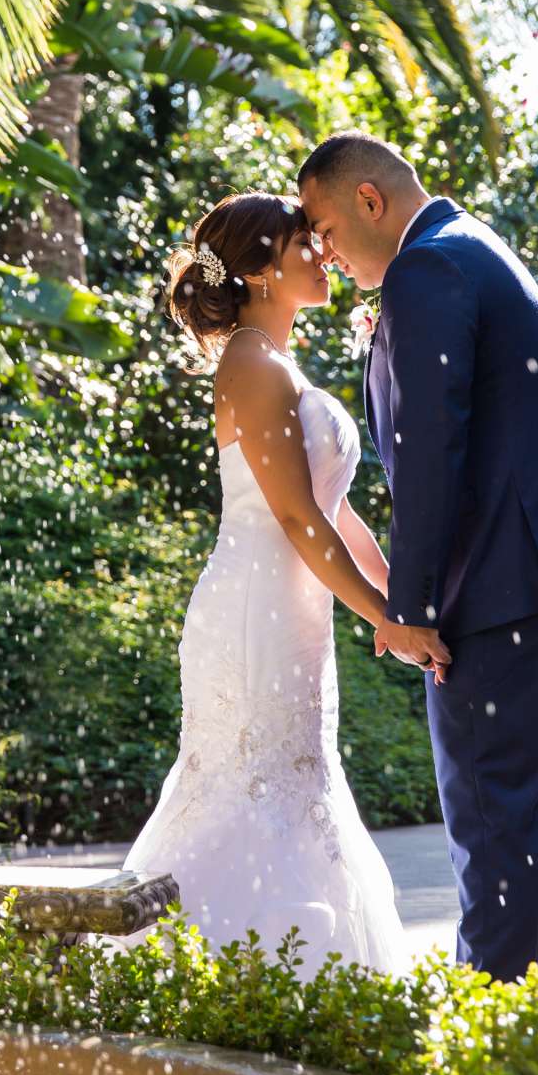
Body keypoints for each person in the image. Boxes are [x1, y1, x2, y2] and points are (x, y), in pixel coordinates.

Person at [296, 132, 538, 1003]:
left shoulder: (427, 269)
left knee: (491, 823)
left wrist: (408, 605)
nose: (320, 249)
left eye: (323, 227)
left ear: (370, 202)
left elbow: (431, 449)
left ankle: (494, 1054)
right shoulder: (473, 246)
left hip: (498, 590)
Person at [123, 190, 434, 968]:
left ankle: (287, 984)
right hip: (254, 610)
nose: (324, 251)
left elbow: (337, 511)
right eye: (306, 240)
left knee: (297, 783)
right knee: (250, 788)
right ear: (262, 268)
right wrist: (383, 619)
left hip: (293, 612)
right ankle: (226, 976)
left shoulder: (281, 361)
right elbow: (297, 520)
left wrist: (397, 596)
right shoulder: (252, 363)